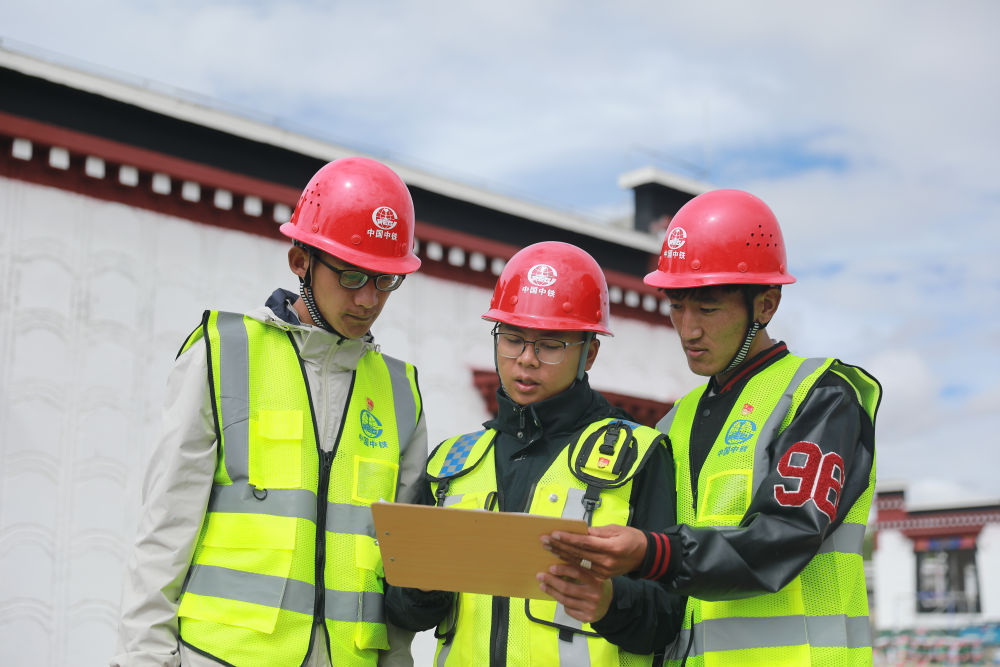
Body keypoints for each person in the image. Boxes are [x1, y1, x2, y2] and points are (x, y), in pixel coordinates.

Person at [111, 157, 428, 667]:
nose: (369, 299)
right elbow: (165, 529)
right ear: (300, 261)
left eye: (386, 280)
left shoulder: (400, 393)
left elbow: (399, 566)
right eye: (351, 275)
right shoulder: (224, 354)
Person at [542, 189, 881, 666]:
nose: (688, 329)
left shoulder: (821, 397)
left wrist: (655, 553)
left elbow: (786, 536)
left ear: (766, 305)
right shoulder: (673, 422)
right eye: (676, 305)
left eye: (707, 308)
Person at [385, 241, 684, 666]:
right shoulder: (451, 464)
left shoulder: (638, 457)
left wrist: (608, 602)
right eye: (512, 339)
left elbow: (669, 618)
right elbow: (404, 613)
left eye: (550, 345)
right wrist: (423, 585)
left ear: (589, 353)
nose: (526, 359)